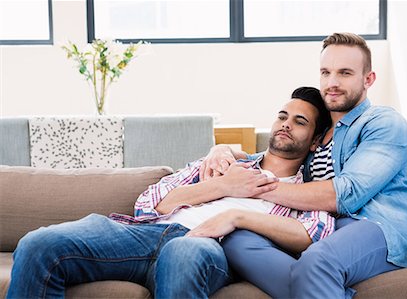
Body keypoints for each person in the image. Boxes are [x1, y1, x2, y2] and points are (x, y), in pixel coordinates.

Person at [6, 87, 333, 299]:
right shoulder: (221, 162)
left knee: (183, 251)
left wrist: (237, 214)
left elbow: (313, 235)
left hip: (207, 248)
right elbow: (148, 205)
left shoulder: (307, 191)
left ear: (317, 140)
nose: (285, 124)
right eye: (282, 116)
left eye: (300, 121)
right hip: (145, 235)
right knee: (38, 244)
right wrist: (222, 186)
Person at [201, 32, 407, 298]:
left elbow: (345, 194)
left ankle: (317, 279)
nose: (332, 83)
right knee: (238, 240)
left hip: (380, 227)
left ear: (368, 79)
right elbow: (267, 158)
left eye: (345, 73)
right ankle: (322, 288)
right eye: (326, 72)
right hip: (323, 231)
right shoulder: (316, 134)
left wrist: (251, 188)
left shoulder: (383, 123)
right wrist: (221, 148)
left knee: (318, 262)